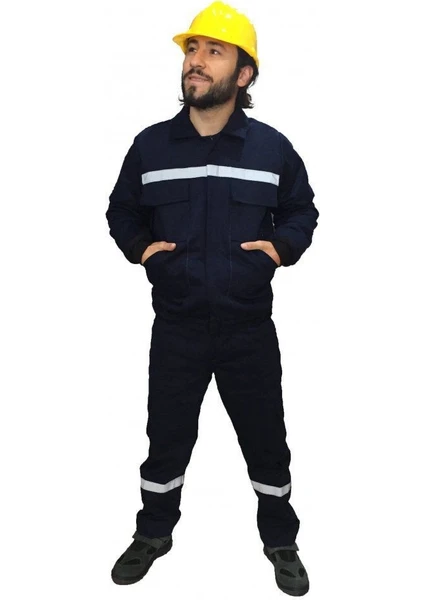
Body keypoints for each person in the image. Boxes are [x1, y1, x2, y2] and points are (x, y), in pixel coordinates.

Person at [106, 1, 318, 595]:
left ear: (243, 74)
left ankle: (280, 539)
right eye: (192, 50)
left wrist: (279, 250)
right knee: (166, 440)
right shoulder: (151, 147)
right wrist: (143, 251)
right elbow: (121, 211)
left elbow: (301, 211)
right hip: (176, 327)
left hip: (248, 328)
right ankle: (154, 532)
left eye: (213, 52)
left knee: (267, 442)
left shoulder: (271, 149)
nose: (195, 62)